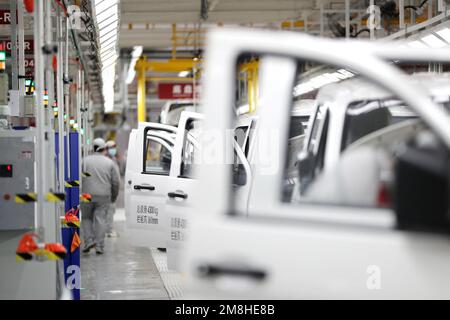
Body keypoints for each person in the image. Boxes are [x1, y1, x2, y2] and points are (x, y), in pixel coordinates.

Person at [81, 138, 120, 254]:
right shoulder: (109, 163)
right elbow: (115, 182)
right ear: (104, 148)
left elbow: (80, 177)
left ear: (93, 148)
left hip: (86, 195)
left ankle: (88, 241)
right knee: (100, 219)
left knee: (86, 218)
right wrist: (114, 196)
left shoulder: (85, 161)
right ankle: (99, 245)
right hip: (104, 195)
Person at [105, 140, 120, 238]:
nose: (113, 150)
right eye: (111, 148)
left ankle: (108, 229)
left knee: (111, 211)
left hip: (113, 190)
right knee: (109, 212)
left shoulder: (114, 159)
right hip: (109, 191)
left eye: (114, 147)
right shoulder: (106, 161)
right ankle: (108, 231)